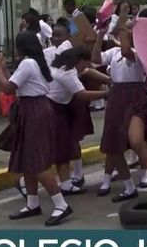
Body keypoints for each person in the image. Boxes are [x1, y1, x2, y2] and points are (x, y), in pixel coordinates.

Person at [0, 32, 73, 226]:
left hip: (34, 110)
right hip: (34, 109)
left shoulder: (28, 64)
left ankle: (61, 204)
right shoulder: (34, 62)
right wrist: (2, 68)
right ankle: (32, 203)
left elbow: (7, 89)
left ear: (20, 47)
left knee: (36, 161)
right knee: (28, 159)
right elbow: (15, 84)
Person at [92, 3, 147, 202]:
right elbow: (95, 58)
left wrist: (124, 23)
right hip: (116, 96)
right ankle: (128, 186)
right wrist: (101, 33)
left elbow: (127, 51)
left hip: (136, 96)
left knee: (136, 140)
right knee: (113, 146)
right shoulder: (113, 52)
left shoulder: (140, 52)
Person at [47, 47, 110, 196]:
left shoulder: (62, 67)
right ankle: (25, 181)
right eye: (86, 63)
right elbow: (82, 94)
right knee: (56, 148)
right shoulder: (67, 73)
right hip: (53, 110)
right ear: (79, 61)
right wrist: (107, 93)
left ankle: (66, 184)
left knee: (64, 147)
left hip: (57, 109)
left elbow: (88, 71)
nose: (87, 66)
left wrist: (108, 80)